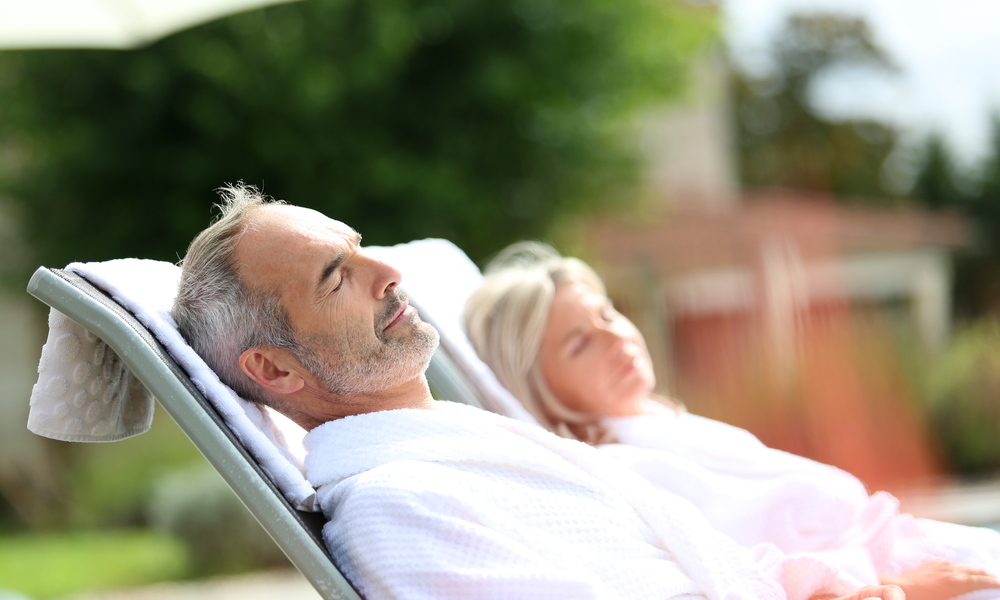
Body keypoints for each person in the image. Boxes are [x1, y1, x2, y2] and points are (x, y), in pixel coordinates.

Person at [171, 183, 911, 600]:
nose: (386, 274)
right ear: (273, 370)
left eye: (361, 249)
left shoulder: (467, 447)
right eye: (337, 277)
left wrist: (845, 584)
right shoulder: (397, 507)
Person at [464, 241, 1000, 600]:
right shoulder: (622, 472)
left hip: (907, 553)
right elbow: (748, 580)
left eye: (607, 313)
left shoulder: (668, 426)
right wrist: (898, 588)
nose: (615, 337)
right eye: (580, 342)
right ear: (537, 385)